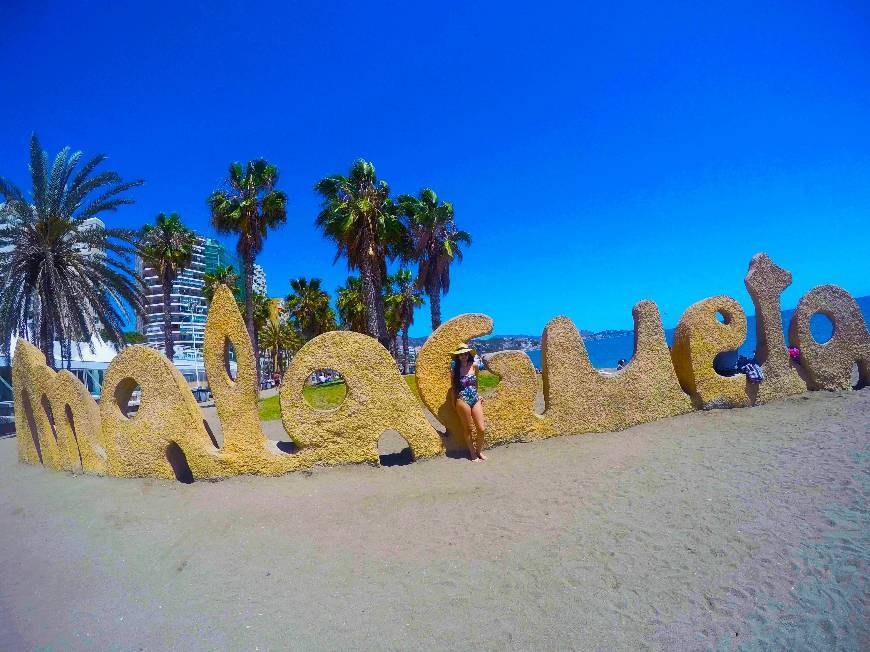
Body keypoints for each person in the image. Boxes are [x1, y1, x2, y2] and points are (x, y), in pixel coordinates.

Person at [451, 343, 487, 461]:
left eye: (465, 354)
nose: (463, 356)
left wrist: (478, 394)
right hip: (462, 400)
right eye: (461, 354)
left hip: (475, 399)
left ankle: (479, 451)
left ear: (468, 354)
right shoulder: (455, 370)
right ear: (458, 357)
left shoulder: (474, 366)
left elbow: (476, 383)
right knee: (468, 429)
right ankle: (472, 453)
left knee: (481, 428)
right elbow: (454, 388)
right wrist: (453, 403)